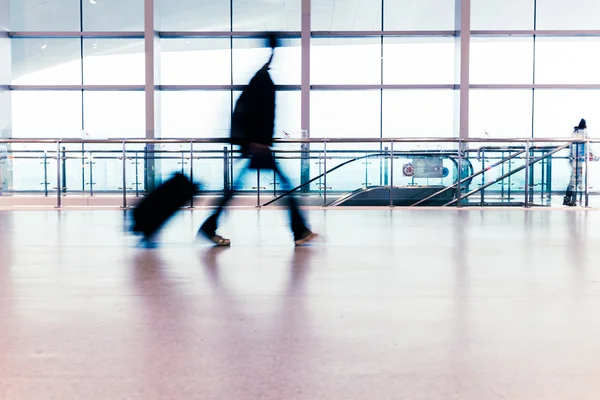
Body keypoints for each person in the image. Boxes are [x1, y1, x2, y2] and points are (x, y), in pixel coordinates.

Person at [198, 34, 317, 247]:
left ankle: (299, 230)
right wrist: (257, 141)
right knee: (280, 186)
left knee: (238, 189)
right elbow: (257, 114)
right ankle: (299, 230)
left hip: (256, 144)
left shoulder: (260, 78)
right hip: (258, 145)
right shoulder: (262, 80)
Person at [563, 118, 598, 206]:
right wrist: (594, 156)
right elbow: (587, 147)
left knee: (574, 179)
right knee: (575, 180)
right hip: (579, 159)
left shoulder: (574, 133)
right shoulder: (583, 133)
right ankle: (570, 199)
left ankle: (569, 198)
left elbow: (572, 146)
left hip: (574, 159)